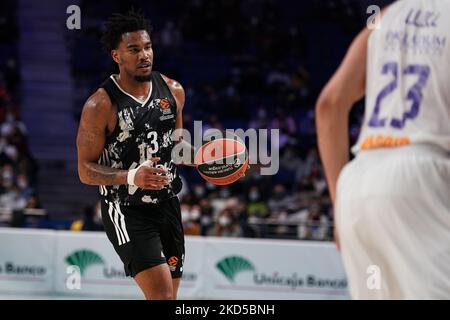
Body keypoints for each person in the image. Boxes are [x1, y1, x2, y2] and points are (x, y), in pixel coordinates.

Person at [316, 0, 450, 299]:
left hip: (358, 184)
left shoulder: (386, 17)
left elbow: (329, 105)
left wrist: (338, 206)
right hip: (424, 175)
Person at [76, 9, 190, 300]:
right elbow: (85, 170)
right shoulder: (99, 105)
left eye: (148, 47)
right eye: (134, 49)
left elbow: (176, 145)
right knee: (162, 296)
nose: (144, 55)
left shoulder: (173, 91)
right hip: (125, 207)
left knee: (169, 298)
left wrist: (206, 157)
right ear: (117, 56)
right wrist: (131, 176)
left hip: (167, 204)